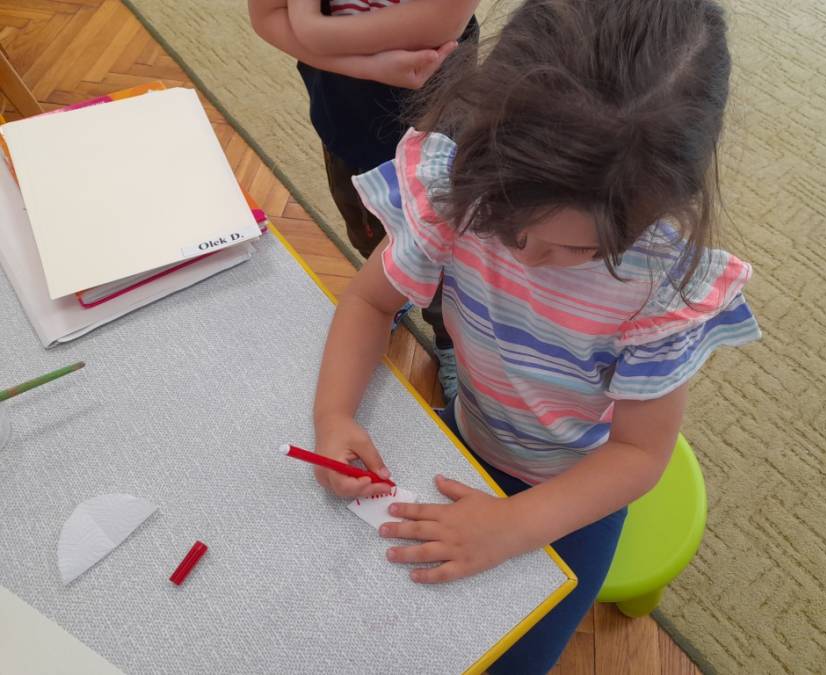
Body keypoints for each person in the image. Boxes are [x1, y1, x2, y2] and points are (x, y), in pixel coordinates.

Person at [311, 0, 761, 671]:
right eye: (505, 220)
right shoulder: (458, 188)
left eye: (573, 249)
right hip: (470, 435)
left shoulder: (661, 289)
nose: (526, 255)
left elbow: (639, 454)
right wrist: (335, 415)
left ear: (661, 205)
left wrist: (512, 526)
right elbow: (370, 301)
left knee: (510, 657)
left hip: (577, 490)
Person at [248, 0, 481, 400]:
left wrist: (310, 27)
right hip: (348, 123)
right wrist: (368, 66)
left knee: (446, 256)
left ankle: (450, 338)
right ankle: (390, 290)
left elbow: (439, 23)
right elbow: (267, 18)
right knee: (368, 230)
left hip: (437, 131)